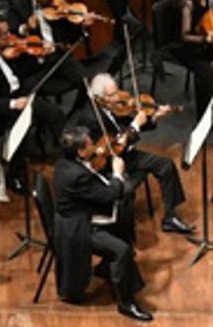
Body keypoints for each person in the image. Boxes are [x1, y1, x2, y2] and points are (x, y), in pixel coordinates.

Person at [0, 15, 67, 201]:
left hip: (18, 94)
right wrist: (12, 104)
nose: (11, 36)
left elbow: (22, 72)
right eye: (5, 34)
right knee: (22, 130)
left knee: (55, 114)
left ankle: (69, 162)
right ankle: (14, 175)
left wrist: (39, 56)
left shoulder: (6, 49)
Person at [53, 126, 153, 321]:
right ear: (80, 151)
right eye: (90, 144)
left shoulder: (64, 162)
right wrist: (117, 173)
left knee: (124, 217)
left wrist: (94, 155)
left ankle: (109, 269)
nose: (95, 146)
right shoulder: (76, 175)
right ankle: (126, 303)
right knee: (121, 249)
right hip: (78, 227)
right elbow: (109, 195)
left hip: (80, 213)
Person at [76, 74, 193, 235]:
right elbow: (116, 145)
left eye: (117, 91)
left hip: (127, 155)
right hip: (109, 164)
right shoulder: (91, 118)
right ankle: (125, 234)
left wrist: (153, 118)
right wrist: (135, 125)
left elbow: (128, 128)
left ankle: (170, 217)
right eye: (112, 95)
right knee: (127, 190)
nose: (118, 97)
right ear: (99, 97)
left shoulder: (113, 107)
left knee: (165, 164)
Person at [166, 0, 213, 116]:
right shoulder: (187, 4)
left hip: (202, 40)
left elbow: (209, 17)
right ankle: (204, 114)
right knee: (206, 72)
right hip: (186, 47)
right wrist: (207, 39)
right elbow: (184, 36)